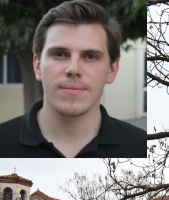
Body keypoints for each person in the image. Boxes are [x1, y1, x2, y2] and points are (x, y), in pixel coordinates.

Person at [0, 0, 146, 158]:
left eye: (90, 56)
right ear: (37, 66)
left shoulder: (142, 147)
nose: (73, 69)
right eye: (59, 54)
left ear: (112, 70)